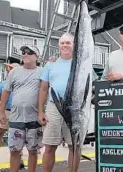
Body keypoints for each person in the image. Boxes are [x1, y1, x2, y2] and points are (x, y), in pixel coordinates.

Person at [38, 33, 98, 172]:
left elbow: (94, 84)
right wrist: (41, 111)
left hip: (75, 107)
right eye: (62, 43)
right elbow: (43, 88)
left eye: (68, 43)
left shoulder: (82, 63)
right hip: (54, 107)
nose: (65, 45)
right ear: (58, 46)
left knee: (74, 146)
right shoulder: (50, 64)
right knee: (49, 146)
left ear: (74, 45)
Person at [0, 44, 43, 172]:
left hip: (34, 119)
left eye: (29, 52)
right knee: (14, 151)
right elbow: (6, 92)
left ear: (37, 57)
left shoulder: (43, 71)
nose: (25, 54)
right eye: (23, 52)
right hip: (16, 119)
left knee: (33, 151)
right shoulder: (14, 72)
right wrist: (1, 112)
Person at [0, 63, 24, 168]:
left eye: (11, 69)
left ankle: (19, 158)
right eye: (9, 69)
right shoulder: (4, 83)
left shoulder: (23, 83)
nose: (8, 70)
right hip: (5, 112)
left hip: (19, 113)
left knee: (18, 136)